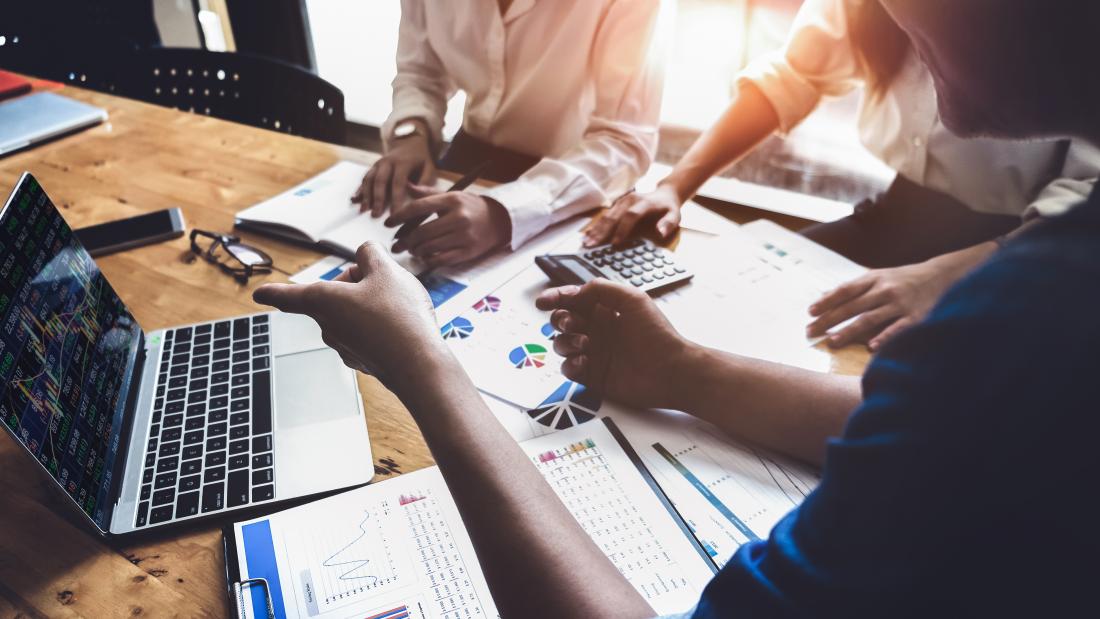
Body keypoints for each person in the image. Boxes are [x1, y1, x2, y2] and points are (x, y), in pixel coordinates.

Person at [254, 0, 1100, 615]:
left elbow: (954, 400)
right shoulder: (1010, 342)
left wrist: (425, 368)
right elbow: (926, 418)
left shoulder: (1023, 319)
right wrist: (682, 370)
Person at [586, 0, 1099, 351]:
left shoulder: (1047, 42)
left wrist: (951, 274)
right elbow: (794, 74)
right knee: (730, 313)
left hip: (1028, 245)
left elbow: (1086, 201)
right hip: (897, 214)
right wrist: (676, 184)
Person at [352, 0, 665, 268]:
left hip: (579, 182)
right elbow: (421, 72)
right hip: (469, 160)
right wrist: (411, 132)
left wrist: (504, 212)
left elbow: (625, 138)